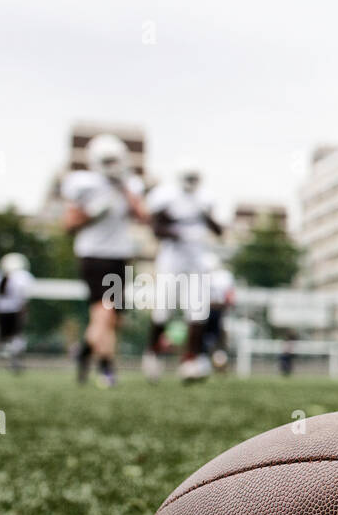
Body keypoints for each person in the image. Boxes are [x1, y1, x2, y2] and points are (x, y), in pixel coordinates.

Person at [61, 133, 147, 387]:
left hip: (119, 257)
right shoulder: (83, 184)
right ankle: (106, 369)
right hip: (93, 255)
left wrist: (124, 188)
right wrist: (92, 212)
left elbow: (143, 215)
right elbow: (67, 224)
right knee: (104, 311)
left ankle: (84, 352)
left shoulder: (129, 184)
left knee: (114, 319)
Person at [146, 160, 223, 381]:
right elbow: (156, 228)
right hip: (172, 262)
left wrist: (205, 216)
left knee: (197, 312)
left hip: (197, 262)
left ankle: (190, 359)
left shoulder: (205, 199)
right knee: (163, 309)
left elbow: (218, 229)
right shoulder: (166, 197)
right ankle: (153, 354)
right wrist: (179, 233)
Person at [0, 253, 34, 372]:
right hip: (14, 311)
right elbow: (23, 299)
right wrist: (24, 314)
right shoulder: (22, 277)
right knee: (15, 337)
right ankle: (14, 361)